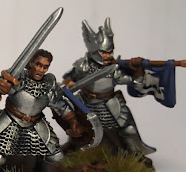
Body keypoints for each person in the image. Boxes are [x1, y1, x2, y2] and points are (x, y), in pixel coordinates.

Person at [62, 19, 153, 154]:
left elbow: (136, 84)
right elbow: (68, 78)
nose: (108, 56)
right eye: (104, 52)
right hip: (84, 102)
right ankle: (73, 147)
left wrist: (138, 71)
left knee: (128, 129)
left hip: (108, 104)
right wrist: (69, 83)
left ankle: (133, 154)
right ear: (94, 50)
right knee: (77, 124)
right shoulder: (83, 66)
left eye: (110, 52)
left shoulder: (114, 69)